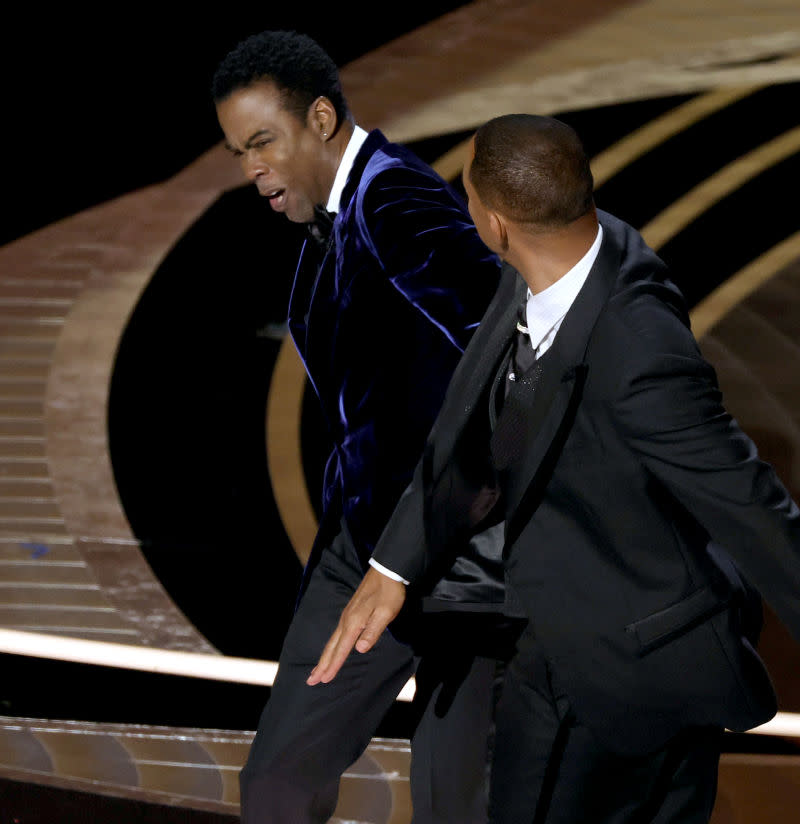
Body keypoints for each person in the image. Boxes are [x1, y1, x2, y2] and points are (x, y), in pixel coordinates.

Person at [309, 114, 800, 823]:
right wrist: (396, 564)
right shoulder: (562, 250)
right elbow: (472, 414)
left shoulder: (640, 354)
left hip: (625, 672)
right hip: (587, 649)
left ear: (494, 224)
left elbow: (756, 512)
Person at [212, 31, 518, 824]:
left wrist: (460, 501)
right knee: (278, 782)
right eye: (238, 152)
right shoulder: (329, 226)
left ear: (320, 118)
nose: (251, 170)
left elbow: (506, 331)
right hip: (362, 554)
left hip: (457, 562)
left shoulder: (393, 198)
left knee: (458, 805)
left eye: (262, 143)